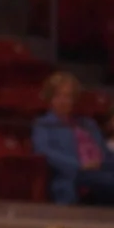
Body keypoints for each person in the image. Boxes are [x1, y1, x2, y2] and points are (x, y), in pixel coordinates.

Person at [32, 73, 114, 206]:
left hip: (101, 171)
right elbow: (43, 151)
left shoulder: (88, 124)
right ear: (50, 98)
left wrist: (103, 164)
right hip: (75, 175)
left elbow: (105, 153)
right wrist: (79, 165)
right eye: (58, 95)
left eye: (68, 96)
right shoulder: (44, 124)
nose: (64, 100)